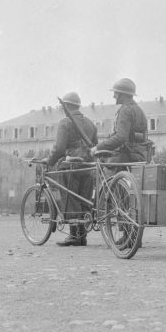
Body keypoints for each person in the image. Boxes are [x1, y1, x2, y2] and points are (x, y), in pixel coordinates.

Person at [47, 91, 98, 247]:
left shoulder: (65, 122)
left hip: (70, 166)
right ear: (78, 105)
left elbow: (59, 148)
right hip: (88, 167)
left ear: (66, 106)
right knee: (84, 199)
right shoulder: (90, 123)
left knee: (71, 200)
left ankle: (74, 235)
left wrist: (49, 161)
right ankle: (82, 237)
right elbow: (94, 145)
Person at [91, 78, 149, 167]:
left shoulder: (125, 110)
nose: (114, 96)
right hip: (141, 156)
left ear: (122, 94)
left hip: (126, 157)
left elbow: (120, 138)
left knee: (99, 170)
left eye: (116, 93)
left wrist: (98, 147)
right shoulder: (139, 110)